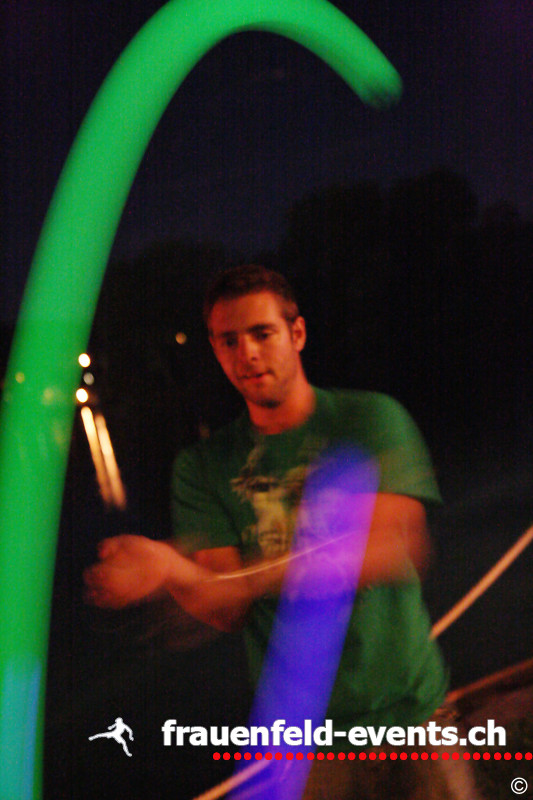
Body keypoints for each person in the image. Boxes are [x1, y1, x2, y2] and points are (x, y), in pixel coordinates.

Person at [85, 265, 480, 799]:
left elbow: (389, 548)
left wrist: (216, 575)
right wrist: (168, 571)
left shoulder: (367, 419)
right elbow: (227, 607)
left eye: (262, 334)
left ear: (297, 333)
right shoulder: (203, 466)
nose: (246, 353)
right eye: (229, 341)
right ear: (215, 349)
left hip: (413, 717)